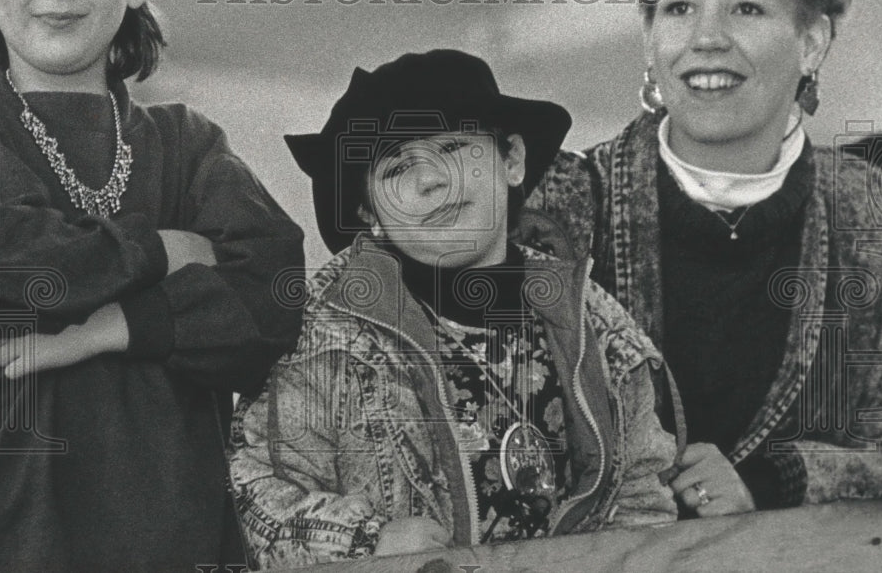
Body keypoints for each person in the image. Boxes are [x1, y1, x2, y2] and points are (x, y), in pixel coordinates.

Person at [0, 0, 304, 571]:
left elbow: (274, 298)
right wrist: (164, 250)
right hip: (21, 539)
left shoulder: (186, 142)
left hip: (188, 538)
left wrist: (115, 326)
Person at [519, 0, 882, 516]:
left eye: (748, 9)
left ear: (811, 40)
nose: (706, 39)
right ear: (649, 37)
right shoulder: (556, 210)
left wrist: (775, 479)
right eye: (678, 8)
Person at [227, 49, 680, 568]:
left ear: (511, 160)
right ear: (367, 210)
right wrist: (365, 544)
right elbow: (254, 488)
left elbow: (642, 493)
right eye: (397, 167)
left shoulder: (593, 322)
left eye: (453, 146)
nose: (431, 181)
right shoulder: (323, 335)